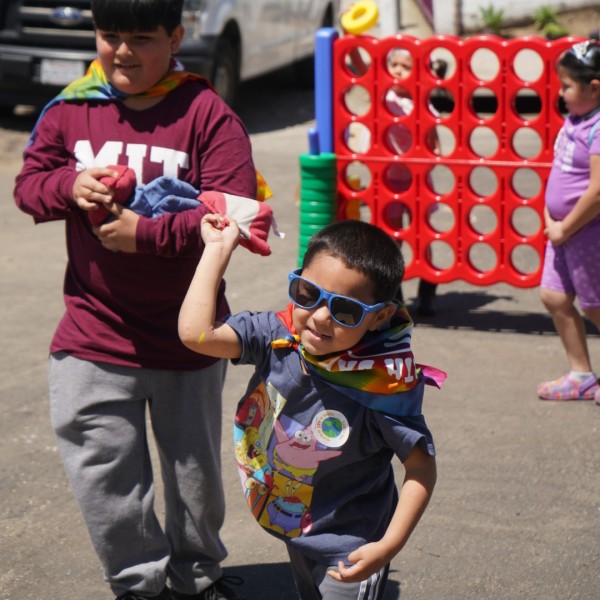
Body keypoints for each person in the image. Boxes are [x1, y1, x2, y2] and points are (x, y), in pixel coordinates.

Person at [13, 0, 259, 598]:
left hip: (189, 338)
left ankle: (197, 579)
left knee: (193, 480)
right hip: (92, 336)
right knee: (104, 479)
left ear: (176, 37)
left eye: (142, 38)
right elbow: (28, 187)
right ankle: (137, 585)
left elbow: (236, 213)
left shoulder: (206, 113)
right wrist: (70, 185)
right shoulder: (73, 108)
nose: (122, 51)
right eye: (109, 35)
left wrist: (144, 235)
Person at [179, 218, 444, 599]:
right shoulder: (279, 336)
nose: (320, 316)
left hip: (351, 545)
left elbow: (421, 467)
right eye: (308, 293)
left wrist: (389, 545)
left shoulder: (381, 384)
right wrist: (217, 251)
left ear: (380, 317)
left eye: (346, 310)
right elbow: (196, 334)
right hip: (298, 526)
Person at [537, 39, 600, 403]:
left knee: (594, 304)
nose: (560, 93)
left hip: (585, 232)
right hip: (561, 231)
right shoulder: (574, 120)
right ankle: (581, 373)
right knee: (554, 296)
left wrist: (564, 226)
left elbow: (597, 191)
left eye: (566, 86)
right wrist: (551, 216)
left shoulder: (597, 128)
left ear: (594, 89)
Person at [385, 48, 445, 317]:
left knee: (423, 237)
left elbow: (436, 144)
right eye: (393, 64)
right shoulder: (387, 97)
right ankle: (393, 295)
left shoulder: (424, 105)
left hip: (419, 180)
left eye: (405, 66)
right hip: (390, 179)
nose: (397, 70)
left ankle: (428, 292)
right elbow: (363, 70)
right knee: (392, 238)